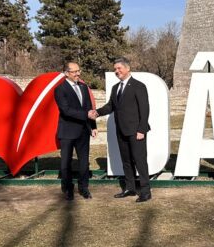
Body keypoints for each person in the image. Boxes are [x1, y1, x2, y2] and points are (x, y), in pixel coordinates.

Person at [89, 57, 152, 202]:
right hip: (121, 131)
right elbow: (110, 106)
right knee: (126, 161)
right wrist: (97, 112)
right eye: (115, 69)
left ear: (127, 68)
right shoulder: (115, 88)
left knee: (140, 161)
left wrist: (141, 130)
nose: (117, 71)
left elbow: (145, 109)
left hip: (136, 132)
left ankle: (145, 191)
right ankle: (130, 188)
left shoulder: (138, 86)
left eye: (119, 68)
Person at [54, 62, 98, 201]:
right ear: (66, 73)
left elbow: (89, 108)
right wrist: (86, 115)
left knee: (84, 162)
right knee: (65, 163)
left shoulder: (84, 87)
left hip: (83, 131)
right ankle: (68, 188)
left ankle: (84, 188)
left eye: (79, 71)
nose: (78, 74)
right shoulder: (60, 89)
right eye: (74, 72)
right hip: (67, 131)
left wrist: (93, 126)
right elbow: (66, 110)